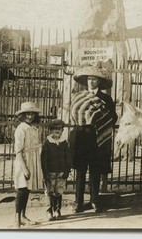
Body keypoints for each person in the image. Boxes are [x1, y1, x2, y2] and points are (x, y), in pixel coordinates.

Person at [69, 63, 118, 213]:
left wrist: (99, 121)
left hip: (97, 137)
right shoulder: (78, 97)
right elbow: (74, 115)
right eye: (89, 79)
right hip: (80, 136)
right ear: (86, 81)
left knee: (95, 170)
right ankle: (78, 202)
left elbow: (113, 118)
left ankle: (94, 201)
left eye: (94, 79)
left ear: (99, 82)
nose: (91, 82)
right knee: (81, 171)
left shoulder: (106, 99)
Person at [13, 101, 44, 228]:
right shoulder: (21, 129)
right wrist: (24, 167)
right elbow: (18, 150)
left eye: (32, 114)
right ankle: (17, 218)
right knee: (21, 189)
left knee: (27, 190)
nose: (30, 116)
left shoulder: (35, 128)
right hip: (23, 161)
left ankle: (24, 216)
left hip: (33, 160)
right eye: (27, 114)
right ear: (22, 115)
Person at [41, 119, 72, 221]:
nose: (57, 131)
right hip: (50, 172)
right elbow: (44, 159)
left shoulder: (64, 143)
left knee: (59, 191)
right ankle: (49, 211)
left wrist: (67, 170)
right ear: (51, 130)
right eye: (55, 129)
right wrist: (45, 173)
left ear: (62, 130)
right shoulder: (47, 143)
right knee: (49, 191)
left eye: (59, 129)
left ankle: (57, 210)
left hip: (61, 171)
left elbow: (68, 158)